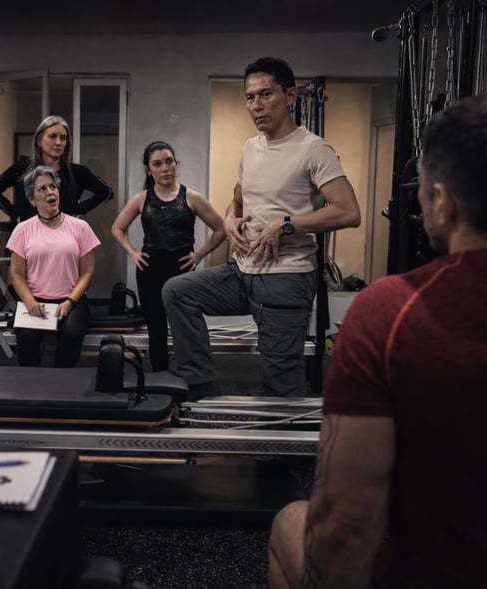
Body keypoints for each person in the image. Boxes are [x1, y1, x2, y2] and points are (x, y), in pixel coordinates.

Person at [267, 94, 487, 588]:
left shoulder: (389, 312)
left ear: (443, 202)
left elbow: (345, 532)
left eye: (423, 188)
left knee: (290, 522)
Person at [162, 56, 361, 398]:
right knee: (177, 291)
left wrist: (287, 224)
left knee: (280, 384)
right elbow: (237, 199)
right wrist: (229, 218)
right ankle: (202, 389)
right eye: (250, 97)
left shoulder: (314, 149)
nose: (256, 105)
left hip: (286, 278)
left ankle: (285, 434)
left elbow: (349, 212)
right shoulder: (250, 148)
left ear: (291, 96)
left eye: (266, 94)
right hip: (242, 272)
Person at [111, 140, 226, 372]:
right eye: (157, 164)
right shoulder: (141, 199)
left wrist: (199, 255)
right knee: (157, 330)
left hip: (182, 270)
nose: (165, 168)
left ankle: (191, 375)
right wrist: (133, 253)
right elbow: (117, 228)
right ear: (148, 169)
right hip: (150, 271)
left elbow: (221, 229)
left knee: (185, 326)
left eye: (169, 161)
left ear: (175, 163)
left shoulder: (191, 197)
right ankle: (159, 377)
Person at [6, 165, 101, 367]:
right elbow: (16, 275)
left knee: (71, 334)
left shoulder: (80, 228)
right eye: (42, 189)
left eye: (53, 187)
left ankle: (61, 380)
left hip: (71, 300)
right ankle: (31, 382)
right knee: (27, 337)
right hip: (35, 300)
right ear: (31, 200)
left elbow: (87, 273)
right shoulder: (22, 230)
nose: (50, 192)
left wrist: (69, 302)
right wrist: (30, 302)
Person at [0, 114, 113, 226]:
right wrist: (15, 214)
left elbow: (106, 192)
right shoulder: (22, 169)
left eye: (63, 138)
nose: (58, 142)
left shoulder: (77, 172)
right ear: (39, 141)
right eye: (52, 136)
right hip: (29, 237)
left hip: (63, 236)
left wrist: (77, 210)